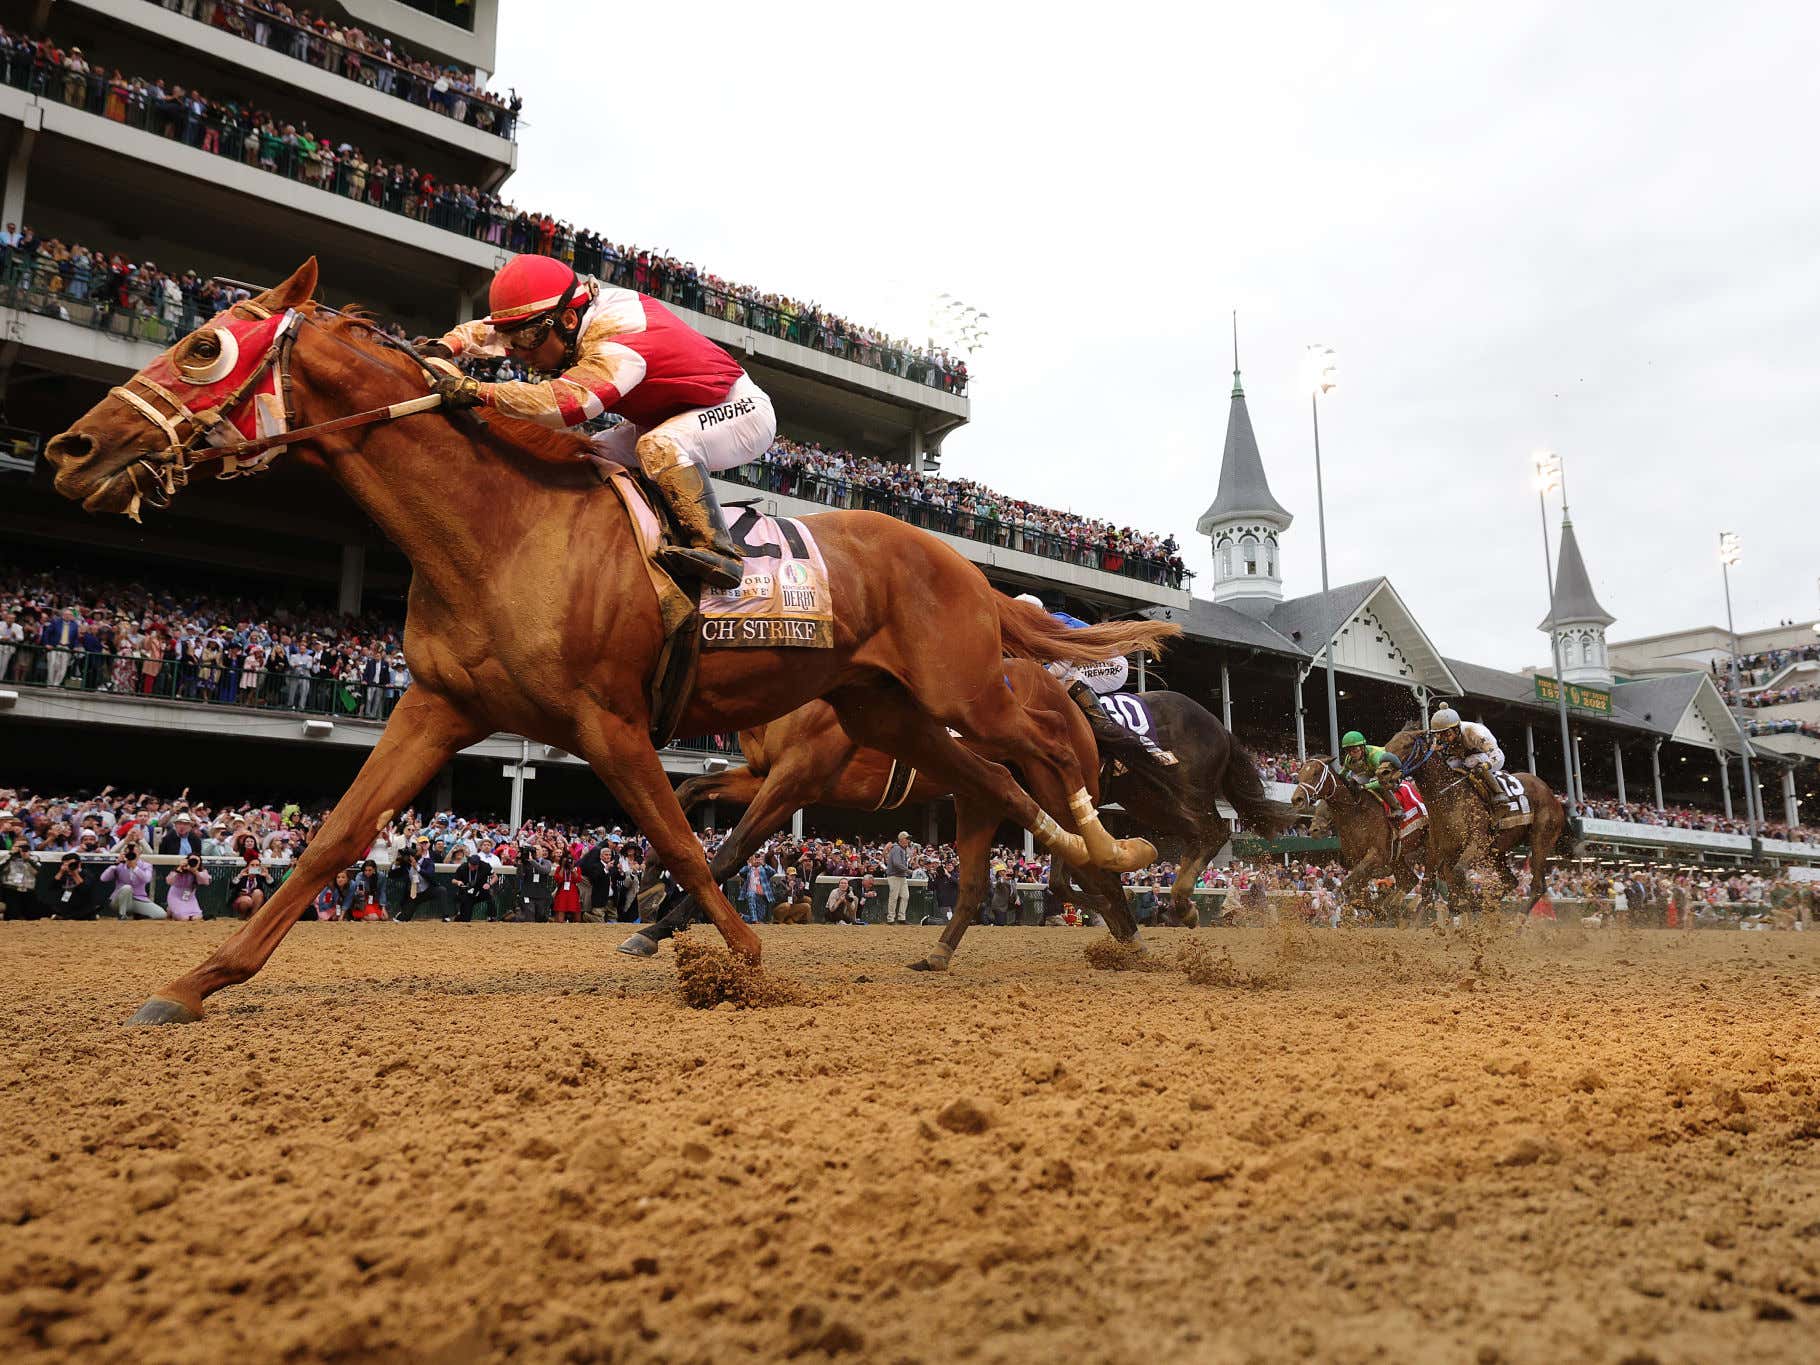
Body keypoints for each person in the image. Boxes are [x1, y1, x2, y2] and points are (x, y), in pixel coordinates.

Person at [421, 253, 776, 590]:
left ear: (569, 321)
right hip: (672, 414)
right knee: (585, 457)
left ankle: (718, 553)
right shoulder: (565, 313)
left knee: (659, 446)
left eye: (527, 339)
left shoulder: (619, 340)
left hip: (740, 408)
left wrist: (478, 391)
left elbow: (564, 406)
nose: (521, 353)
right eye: (514, 339)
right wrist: (445, 346)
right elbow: (492, 330)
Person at [1013, 593, 1176, 767]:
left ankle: (1144, 747)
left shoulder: (1057, 626)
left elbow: (1059, 669)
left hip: (1111, 665)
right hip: (1085, 664)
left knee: (1067, 680)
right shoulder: (1038, 631)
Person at [1430, 709, 1519, 820]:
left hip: (1488, 757)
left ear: (1457, 729)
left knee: (1470, 762)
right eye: (1440, 736)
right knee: (1450, 766)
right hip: (1466, 756)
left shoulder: (1474, 732)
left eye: (1447, 735)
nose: (1444, 740)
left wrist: (1485, 766)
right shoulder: (1443, 739)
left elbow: (1497, 754)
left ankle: (1499, 794)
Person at [1337, 731, 1428, 839]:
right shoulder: (1349, 759)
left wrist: (1365, 787)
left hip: (1389, 775)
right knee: (1353, 782)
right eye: (1348, 751)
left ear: (1362, 747)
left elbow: (1382, 781)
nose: (1352, 753)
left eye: (1354, 750)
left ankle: (1397, 809)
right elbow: (1343, 773)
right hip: (1370, 774)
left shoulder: (1376, 756)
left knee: (1382, 786)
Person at [102, 842, 164, 919]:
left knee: (161, 914)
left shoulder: (146, 865)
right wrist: (115, 864)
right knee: (127, 888)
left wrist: (135, 867)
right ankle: (122, 915)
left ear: (140, 852)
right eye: (129, 851)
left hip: (137, 899)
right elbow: (103, 878)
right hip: (119, 901)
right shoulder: (120, 865)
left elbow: (147, 879)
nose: (132, 853)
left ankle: (137, 914)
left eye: (134, 850)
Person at [49, 852, 103, 919]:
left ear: (79, 864)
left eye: (71, 864)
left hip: (82, 905)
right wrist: (61, 872)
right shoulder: (62, 874)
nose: (69, 866)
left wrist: (74, 874)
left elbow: (84, 890)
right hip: (66, 905)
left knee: (87, 911)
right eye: (66, 864)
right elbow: (52, 887)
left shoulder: (87, 874)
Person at [164, 852, 211, 921]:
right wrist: (179, 868)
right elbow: (169, 881)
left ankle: (173, 909)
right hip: (175, 896)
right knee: (184, 918)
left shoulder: (201, 872)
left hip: (189, 897)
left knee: (196, 918)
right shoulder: (180, 869)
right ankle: (171, 910)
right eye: (191, 860)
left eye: (196, 862)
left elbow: (206, 881)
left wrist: (195, 871)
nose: (193, 863)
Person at [884, 831, 913, 925]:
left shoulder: (901, 849)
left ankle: (901, 917)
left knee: (905, 896)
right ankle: (890, 918)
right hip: (894, 875)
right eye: (907, 838)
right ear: (901, 839)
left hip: (901, 876)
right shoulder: (897, 848)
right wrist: (907, 870)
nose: (908, 841)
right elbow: (896, 864)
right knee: (894, 897)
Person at [551, 850, 583, 923]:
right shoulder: (559, 868)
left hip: (573, 891)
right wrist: (562, 866)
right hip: (562, 891)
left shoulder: (577, 869)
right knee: (560, 909)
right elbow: (558, 879)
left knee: (576, 912)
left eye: (571, 860)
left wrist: (572, 869)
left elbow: (578, 879)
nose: (569, 862)